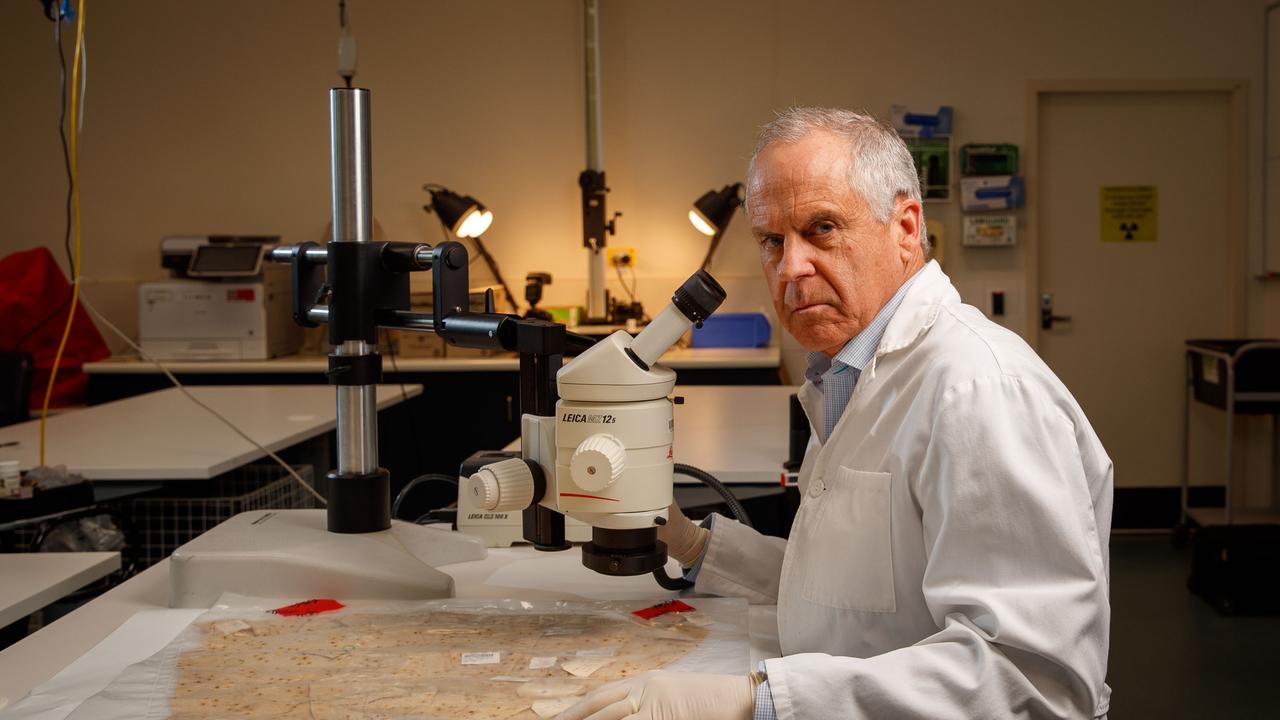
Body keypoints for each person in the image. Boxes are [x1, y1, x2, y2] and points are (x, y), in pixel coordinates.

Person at [557, 108, 1112, 720]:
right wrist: (690, 544)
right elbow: (851, 598)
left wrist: (761, 703)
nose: (790, 267)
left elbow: (1033, 681)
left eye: (822, 228)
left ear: (905, 227)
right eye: (771, 240)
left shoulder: (980, 391)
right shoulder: (847, 372)